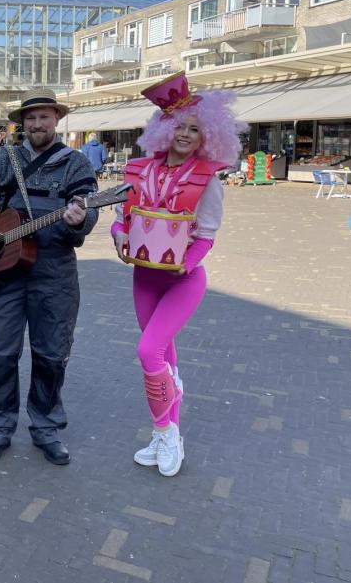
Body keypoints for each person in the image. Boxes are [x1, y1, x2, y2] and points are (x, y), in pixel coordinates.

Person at [111, 72, 246, 477]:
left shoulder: (207, 178)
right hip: (144, 279)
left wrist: (185, 261)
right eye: (179, 127)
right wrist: (118, 235)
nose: (185, 135)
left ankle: (167, 432)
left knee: (147, 352)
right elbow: (124, 218)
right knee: (162, 358)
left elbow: (207, 235)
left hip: (183, 281)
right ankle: (168, 421)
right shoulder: (138, 171)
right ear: (163, 130)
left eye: (194, 129)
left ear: (207, 136)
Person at [0, 89, 99, 466]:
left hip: (54, 272)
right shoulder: (5, 158)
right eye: (31, 118)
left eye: (44, 117)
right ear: (22, 122)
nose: (37, 124)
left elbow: (87, 216)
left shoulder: (76, 163)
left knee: (52, 353)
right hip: (4, 272)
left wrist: (79, 221)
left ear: (57, 119)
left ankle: (46, 427)